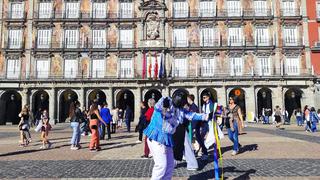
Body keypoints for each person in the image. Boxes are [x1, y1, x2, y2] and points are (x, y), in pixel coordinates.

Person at [144, 94, 211, 180]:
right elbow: (157, 108)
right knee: (161, 165)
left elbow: (192, 115)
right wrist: (164, 105)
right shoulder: (165, 101)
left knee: (170, 165)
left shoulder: (181, 111)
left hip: (167, 139)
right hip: (157, 137)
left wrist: (207, 116)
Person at [200, 92, 215, 160]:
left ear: (208, 97)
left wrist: (207, 116)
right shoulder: (204, 104)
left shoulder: (211, 104)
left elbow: (212, 113)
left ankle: (207, 150)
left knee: (210, 136)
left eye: (204, 97)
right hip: (205, 122)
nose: (203, 99)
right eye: (203, 98)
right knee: (202, 135)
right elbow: (203, 112)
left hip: (209, 122)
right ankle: (204, 149)